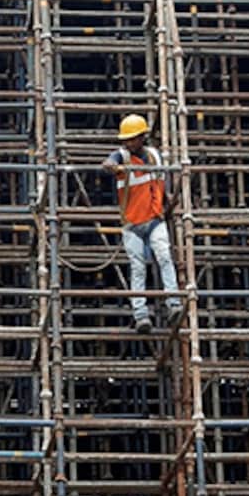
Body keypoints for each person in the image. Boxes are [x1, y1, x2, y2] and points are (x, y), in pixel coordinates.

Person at [101, 114, 183, 333]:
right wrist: (110, 166)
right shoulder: (122, 156)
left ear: (142, 137)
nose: (128, 143)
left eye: (132, 139)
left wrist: (170, 203)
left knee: (165, 257)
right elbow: (110, 162)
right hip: (132, 224)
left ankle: (173, 303)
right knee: (138, 269)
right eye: (126, 139)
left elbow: (162, 183)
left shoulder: (155, 156)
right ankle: (141, 315)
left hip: (155, 219)